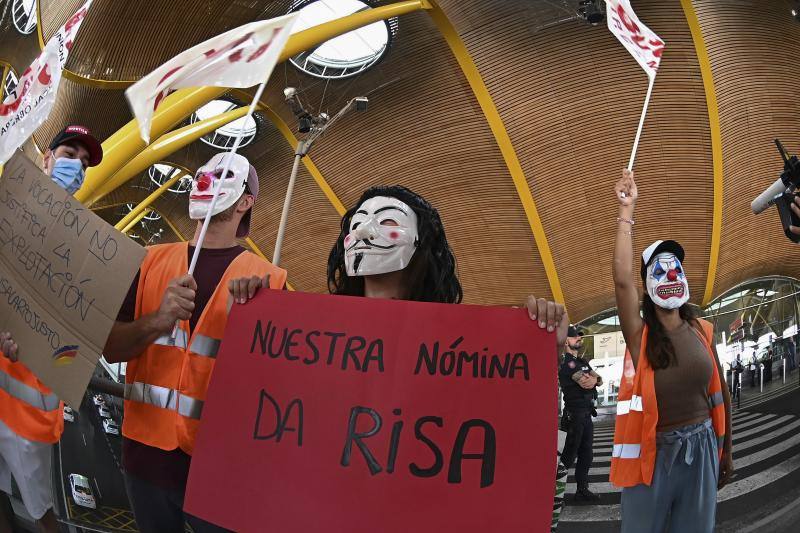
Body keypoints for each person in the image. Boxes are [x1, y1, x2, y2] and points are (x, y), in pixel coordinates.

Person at [228, 185, 570, 532]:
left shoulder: (458, 350)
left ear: (422, 243)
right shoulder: (313, 338)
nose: (364, 231)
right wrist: (250, 319)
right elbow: (265, 407)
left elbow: (509, 437)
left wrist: (545, 352)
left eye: (387, 221)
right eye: (357, 223)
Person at [102, 153, 287, 533]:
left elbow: (275, 387)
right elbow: (111, 348)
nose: (205, 180)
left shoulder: (269, 281)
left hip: (222, 467)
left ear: (246, 201)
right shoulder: (147, 262)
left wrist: (253, 324)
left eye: (221, 175)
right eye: (201, 174)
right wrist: (157, 320)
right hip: (145, 459)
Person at [610, 169, 733, 533]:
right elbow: (621, 280)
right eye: (659, 271)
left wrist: (726, 450)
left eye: (675, 267)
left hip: (703, 447)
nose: (671, 276)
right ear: (647, 285)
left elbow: (721, 392)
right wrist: (626, 211)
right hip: (653, 455)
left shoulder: (702, 330)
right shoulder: (640, 335)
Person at [0, 125, 103, 533]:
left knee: (43, 512)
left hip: (28, 410)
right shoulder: (8, 210)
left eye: (84, 163)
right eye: (69, 154)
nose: (76, 166)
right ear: (46, 158)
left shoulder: (88, 248)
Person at [559, 325, 602, 502]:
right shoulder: (567, 364)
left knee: (586, 453)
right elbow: (587, 383)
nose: (578, 338)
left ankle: (582, 490)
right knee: (568, 456)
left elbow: (599, 380)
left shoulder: (582, 362)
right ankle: (552, 494)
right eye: (574, 336)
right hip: (574, 416)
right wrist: (594, 379)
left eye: (579, 336)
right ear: (566, 341)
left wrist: (595, 379)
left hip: (586, 415)